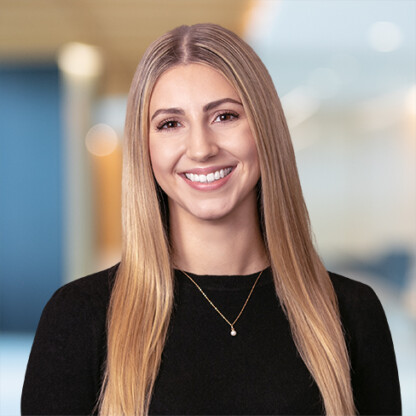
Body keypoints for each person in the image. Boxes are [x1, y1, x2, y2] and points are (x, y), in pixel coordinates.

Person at [21, 23, 401, 415]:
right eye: (170, 124)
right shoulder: (80, 316)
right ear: (145, 148)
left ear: (264, 129)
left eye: (224, 116)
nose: (201, 148)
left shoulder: (351, 312)